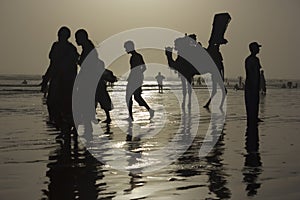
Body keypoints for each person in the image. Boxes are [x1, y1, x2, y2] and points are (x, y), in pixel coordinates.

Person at [75, 29, 117, 123]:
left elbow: (85, 63)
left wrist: (77, 59)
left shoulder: (87, 49)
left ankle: (95, 117)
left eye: (77, 38)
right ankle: (100, 117)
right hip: (94, 77)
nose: (76, 40)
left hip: (91, 77)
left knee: (94, 96)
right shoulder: (88, 47)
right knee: (98, 96)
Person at [41, 26, 79, 129]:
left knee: (61, 105)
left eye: (61, 35)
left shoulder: (68, 48)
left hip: (64, 81)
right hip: (60, 80)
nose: (59, 37)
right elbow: (53, 64)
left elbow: (55, 65)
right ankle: (62, 127)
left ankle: (65, 128)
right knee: (54, 104)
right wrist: (46, 79)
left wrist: (46, 79)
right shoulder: (61, 47)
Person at [124, 40, 154, 121]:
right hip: (137, 79)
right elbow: (144, 68)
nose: (125, 50)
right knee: (137, 97)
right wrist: (139, 75)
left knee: (129, 97)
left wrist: (135, 76)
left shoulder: (134, 57)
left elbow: (137, 69)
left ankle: (131, 117)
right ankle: (150, 111)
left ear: (130, 47)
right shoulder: (138, 56)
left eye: (126, 48)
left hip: (135, 79)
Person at [245, 42, 263, 124]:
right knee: (253, 102)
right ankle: (253, 118)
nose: (259, 49)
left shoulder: (249, 59)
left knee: (251, 103)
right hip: (252, 85)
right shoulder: (254, 60)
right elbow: (254, 73)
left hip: (250, 84)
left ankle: (253, 118)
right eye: (258, 48)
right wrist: (256, 84)